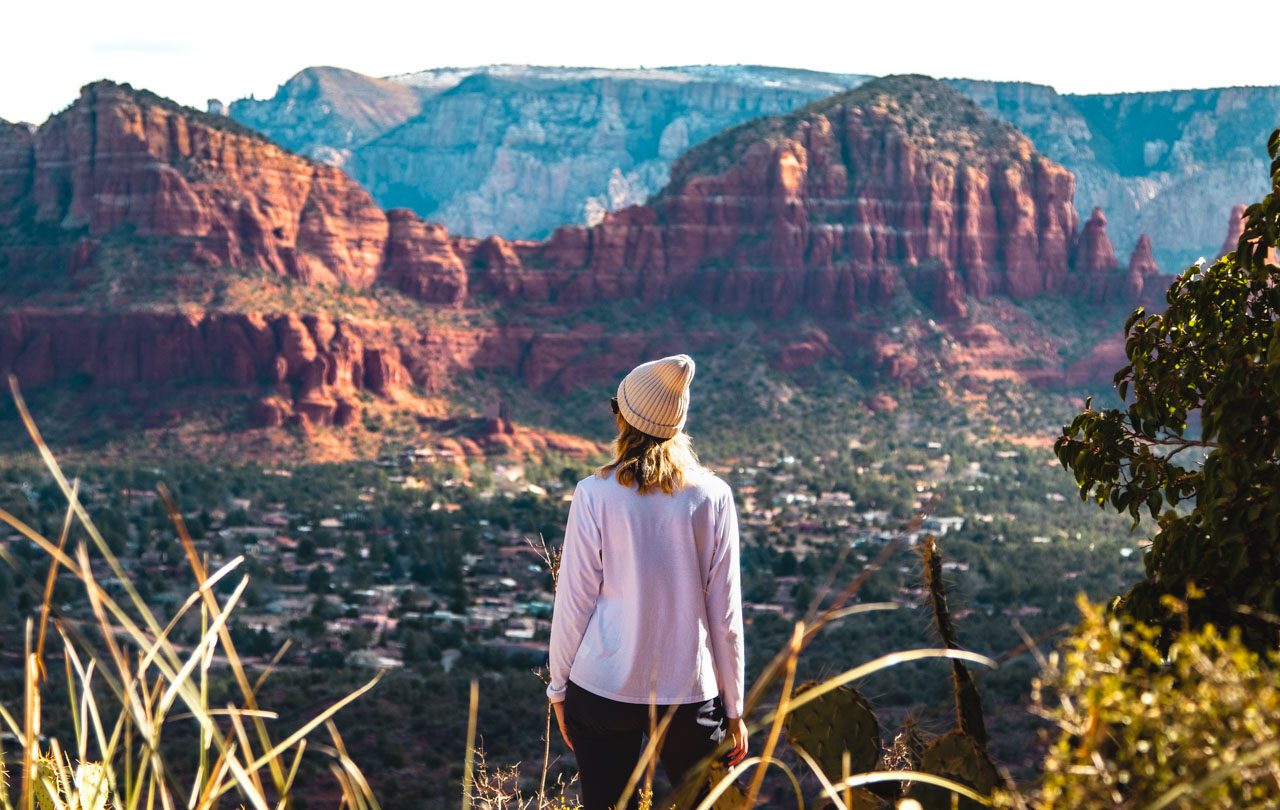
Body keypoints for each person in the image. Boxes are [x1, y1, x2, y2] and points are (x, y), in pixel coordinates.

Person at [546, 354, 748, 810]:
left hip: (601, 689)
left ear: (624, 419)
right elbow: (726, 615)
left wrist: (558, 688)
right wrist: (734, 709)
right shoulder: (713, 496)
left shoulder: (594, 494)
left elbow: (574, 602)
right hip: (689, 696)